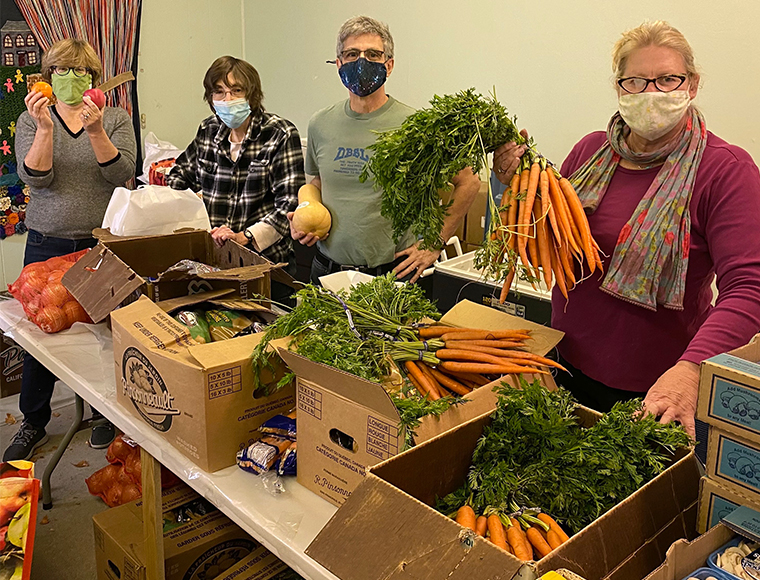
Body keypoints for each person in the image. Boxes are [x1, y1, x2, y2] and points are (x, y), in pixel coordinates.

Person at [494, 21, 760, 438]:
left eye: (667, 79)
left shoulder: (725, 170)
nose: (651, 93)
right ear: (619, 87)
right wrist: (514, 187)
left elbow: (749, 288)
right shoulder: (589, 152)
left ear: (691, 85)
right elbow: (546, 247)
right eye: (636, 81)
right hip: (564, 365)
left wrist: (691, 371)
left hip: (660, 393)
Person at [4, 39, 136, 460]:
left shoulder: (113, 117)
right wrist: (44, 129)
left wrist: (95, 131)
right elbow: (35, 179)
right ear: (48, 76)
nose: (71, 79)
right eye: (61, 71)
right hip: (47, 240)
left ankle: (103, 414)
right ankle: (33, 420)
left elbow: (122, 173)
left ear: (94, 80)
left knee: (103, 332)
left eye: (81, 72)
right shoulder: (32, 119)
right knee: (40, 334)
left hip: (101, 244)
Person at [289, 16, 488, 284]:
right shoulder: (320, 124)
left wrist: (434, 244)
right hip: (327, 270)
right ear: (338, 64)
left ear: (389, 65)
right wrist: (305, 215)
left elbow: (468, 182)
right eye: (351, 54)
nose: (362, 62)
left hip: (391, 274)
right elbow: (319, 181)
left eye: (373, 54)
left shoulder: (417, 126)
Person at [167, 56, 304, 301]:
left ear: (252, 95)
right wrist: (193, 211)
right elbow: (178, 177)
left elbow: (290, 206)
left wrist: (245, 237)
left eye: (236, 90)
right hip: (215, 264)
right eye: (219, 92)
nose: (227, 100)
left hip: (267, 267)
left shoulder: (279, 133)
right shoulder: (208, 130)